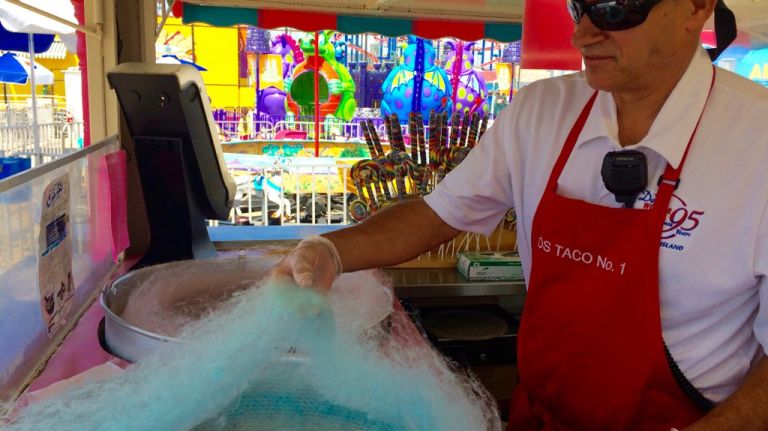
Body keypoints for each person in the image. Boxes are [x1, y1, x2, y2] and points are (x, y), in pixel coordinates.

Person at [271, 0, 768, 429]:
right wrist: (332, 251)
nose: (581, 33)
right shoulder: (540, 112)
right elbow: (436, 213)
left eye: (614, 9)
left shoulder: (756, 140)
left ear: (697, 6)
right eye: (578, 7)